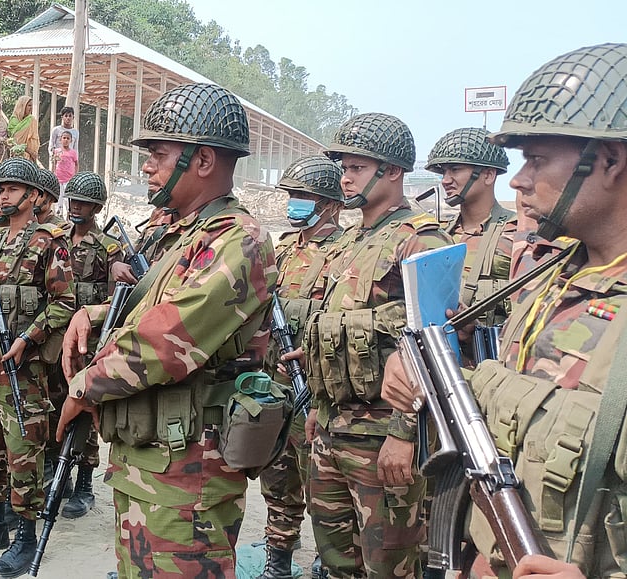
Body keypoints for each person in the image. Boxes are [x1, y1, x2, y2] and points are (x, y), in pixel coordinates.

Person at [382, 43, 627, 579]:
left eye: (536, 159)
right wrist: (419, 368)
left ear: (610, 160)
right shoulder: (550, 278)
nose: (518, 179)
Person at [56, 83, 278, 579]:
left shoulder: (239, 241)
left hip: (188, 474)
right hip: (150, 461)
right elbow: (151, 304)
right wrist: (94, 314)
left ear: (203, 160)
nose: (147, 166)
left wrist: (84, 387)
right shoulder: (183, 235)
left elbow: (165, 341)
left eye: (158, 154)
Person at [296, 113, 452, 578]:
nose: (345, 178)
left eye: (357, 168)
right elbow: (331, 332)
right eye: (343, 168)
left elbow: (434, 345)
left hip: (383, 438)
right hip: (331, 429)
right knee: (337, 561)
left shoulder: (422, 239)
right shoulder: (348, 241)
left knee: (389, 567)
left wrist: (405, 436)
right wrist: (317, 408)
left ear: (393, 171)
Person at [0, 157, 76, 579]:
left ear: (34, 195)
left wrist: (28, 338)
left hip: (22, 370)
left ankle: (25, 536)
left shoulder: (47, 242)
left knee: (23, 450)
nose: (2, 196)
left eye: (10, 189)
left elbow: (64, 303)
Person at [255, 156, 345, 579]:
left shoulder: (344, 253)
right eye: (292, 194)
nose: (295, 202)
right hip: (275, 383)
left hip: (317, 389)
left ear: (331, 204)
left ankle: (328, 559)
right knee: (277, 479)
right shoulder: (285, 248)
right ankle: (278, 559)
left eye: (304, 196)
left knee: (323, 486)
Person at [53, 170, 122, 520]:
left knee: (85, 409)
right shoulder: (57, 239)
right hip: (56, 338)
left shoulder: (108, 248)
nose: (75, 207)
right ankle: (61, 477)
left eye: (83, 202)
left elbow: (116, 300)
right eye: (73, 200)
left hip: (87, 343)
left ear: (96, 207)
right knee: (57, 406)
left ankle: (84, 485)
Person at [426, 127, 517, 361]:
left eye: (455, 169)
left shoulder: (517, 235)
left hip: (490, 368)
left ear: (488, 175)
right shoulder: (436, 237)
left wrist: (476, 330)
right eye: (443, 171)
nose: (445, 180)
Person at [7, 95, 40, 163]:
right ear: (22, 106)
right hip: (16, 155)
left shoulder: (32, 120)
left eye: (32, 105)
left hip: (31, 156)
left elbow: (34, 139)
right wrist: (28, 150)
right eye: (29, 105)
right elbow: (15, 141)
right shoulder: (13, 120)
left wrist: (33, 152)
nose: (31, 108)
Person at [52, 131, 78, 211]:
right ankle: (59, 214)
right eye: (64, 138)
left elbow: (76, 164)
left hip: (69, 179)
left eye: (68, 138)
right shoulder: (57, 151)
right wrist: (53, 174)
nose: (66, 140)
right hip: (58, 178)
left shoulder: (73, 153)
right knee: (58, 197)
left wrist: (75, 176)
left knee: (67, 198)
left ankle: (68, 214)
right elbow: (54, 163)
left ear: (71, 140)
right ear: (60, 139)